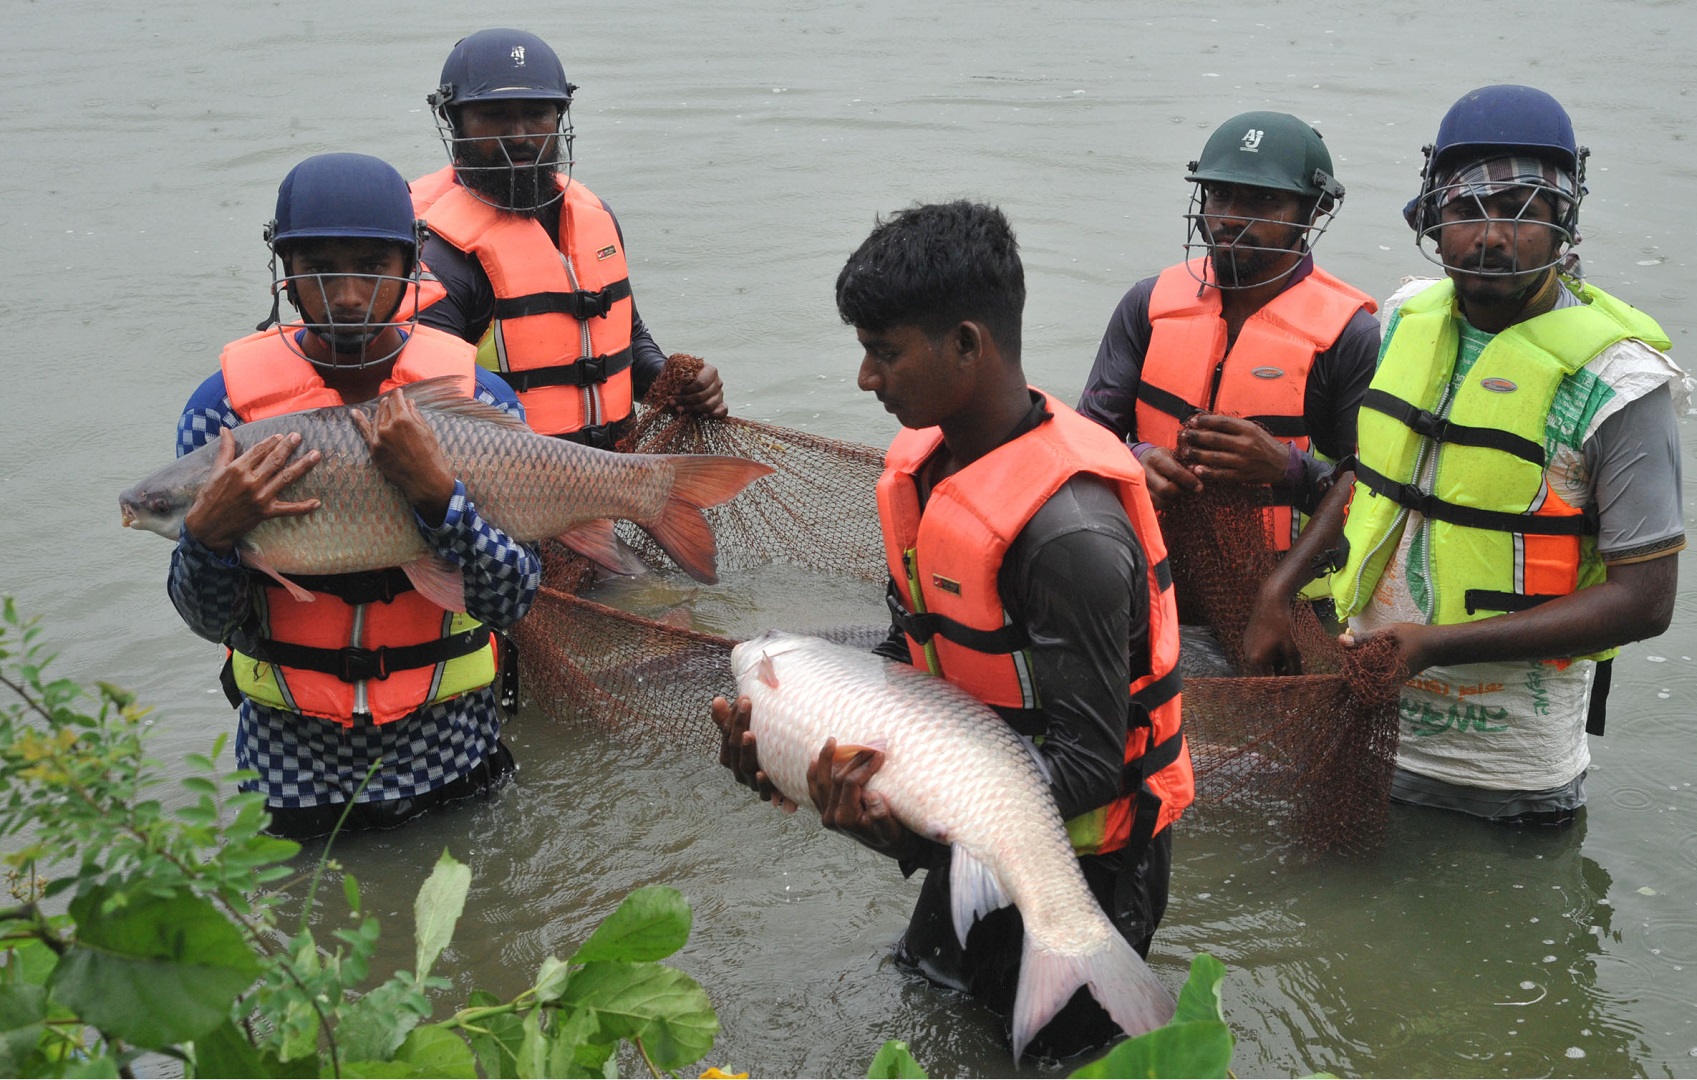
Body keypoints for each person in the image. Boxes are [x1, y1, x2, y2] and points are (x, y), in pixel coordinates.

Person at [713, 201, 1192, 1057]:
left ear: (966, 344)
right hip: (969, 834)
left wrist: (909, 824)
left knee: (1057, 1064)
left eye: (884, 351)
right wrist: (803, 752)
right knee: (928, 1015)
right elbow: (910, 655)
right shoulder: (929, 472)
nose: (866, 378)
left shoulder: (1071, 537)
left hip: (1079, 866)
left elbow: (1091, 763)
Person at [1243, 85, 1685, 824]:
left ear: (1563, 224)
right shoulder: (1403, 319)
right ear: (1431, 218)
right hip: (1363, 730)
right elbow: (1372, 476)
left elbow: (1645, 601)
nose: (1491, 236)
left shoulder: (1618, 383)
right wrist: (1277, 590)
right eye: (1467, 210)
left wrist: (1434, 646)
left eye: (1522, 212)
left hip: (1508, 777)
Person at [168, 153, 541, 840]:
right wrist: (208, 536)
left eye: (371, 266)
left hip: (455, 753)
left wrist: (439, 499)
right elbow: (206, 618)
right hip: (290, 771)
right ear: (286, 272)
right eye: (319, 269)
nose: (345, 295)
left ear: (410, 266)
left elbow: (513, 598)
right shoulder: (223, 413)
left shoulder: (479, 401)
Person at [1076, 112, 1380, 600]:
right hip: (1148, 574)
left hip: (1284, 595)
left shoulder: (1350, 336)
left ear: (1314, 210)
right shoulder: (1148, 305)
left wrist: (1287, 468)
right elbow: (1085, 439)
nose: (1230, 218)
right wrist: (1137, 458)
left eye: (1263, 199)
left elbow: (1374, 496)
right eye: (1219, 194)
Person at [410, 27, 724, 447]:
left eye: (537, 113)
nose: (519, 135)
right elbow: (427, 410)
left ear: (559, 117)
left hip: (616, 468)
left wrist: (672, 382)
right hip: (509, 477)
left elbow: (627, 339)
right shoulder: (435, 250)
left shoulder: (595, 216)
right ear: (454, 121)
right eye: (495, 114)